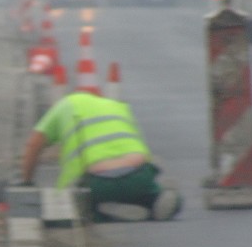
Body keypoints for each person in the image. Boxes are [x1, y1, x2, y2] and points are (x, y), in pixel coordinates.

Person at [18, 90, 182, 221]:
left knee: (73, 210)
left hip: (97, 183)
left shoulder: (63, 106)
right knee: (150, 192)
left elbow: (33, 145)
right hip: (139, 175)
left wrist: (26, 182)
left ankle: (104, 213)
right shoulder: (117, 106)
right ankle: (154, 200)